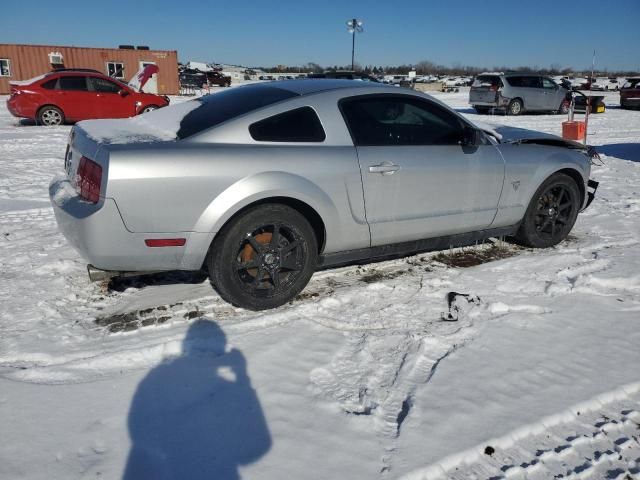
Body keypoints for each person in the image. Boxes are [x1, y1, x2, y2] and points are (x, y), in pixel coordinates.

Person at [123, 320, 271, 480]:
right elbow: (256, 449)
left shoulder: (153, 379)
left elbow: (138, 426)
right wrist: (242, 376)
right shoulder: (226, 386)